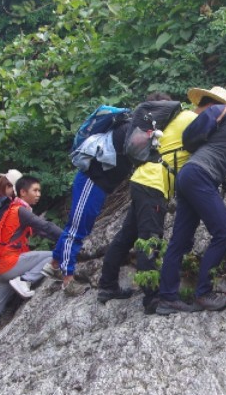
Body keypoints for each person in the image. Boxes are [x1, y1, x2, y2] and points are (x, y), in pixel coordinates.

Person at [47, 93, 173, 291]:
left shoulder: (140, 129)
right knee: (77, 228)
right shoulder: (132, 129)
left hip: (101, 184)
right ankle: (67, 277)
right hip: (91, 179)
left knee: (83, 226)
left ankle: (54, 263)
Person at [156, 87, 226, 315]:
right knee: (223, 234)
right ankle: (203, 293)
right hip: (201, 177)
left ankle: (167, 298)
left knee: (179, 241)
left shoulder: (219, 129)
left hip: (187, 175)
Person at [97, 97, 199, 313]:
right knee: (150, 239)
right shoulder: (189, 118)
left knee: (126, 235)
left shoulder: (166, 124)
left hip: (143, 179)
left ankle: (107, 285)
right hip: (154, 184)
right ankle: (153, 298)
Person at [0, 175, 63, 347]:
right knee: (54, 254)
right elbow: (45, 227)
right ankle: (25, 280)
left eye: (39, 190)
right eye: (35, 190)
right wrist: (68, 238)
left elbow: (43, 232)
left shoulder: (13, 210)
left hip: (0, 268)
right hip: (11, 263)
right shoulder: (21, 210)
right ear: (23, 192)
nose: (38, 194)